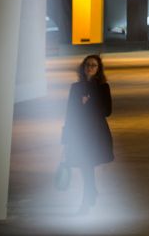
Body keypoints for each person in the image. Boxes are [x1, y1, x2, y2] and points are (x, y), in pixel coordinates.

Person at [62, 54, 114, 214]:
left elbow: (107, 111)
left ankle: (86, 200)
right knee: (85, 164)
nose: (90, 68)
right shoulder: (75, 87)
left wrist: (88, 103)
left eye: (94, 65)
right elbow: (70, 112)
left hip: (96, 132)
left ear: (98, 69)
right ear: (83, 67)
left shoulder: (103, 87)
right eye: (87, 65)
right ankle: (91, 192)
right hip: (79, 131)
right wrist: (66, 134)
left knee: (87, 164)